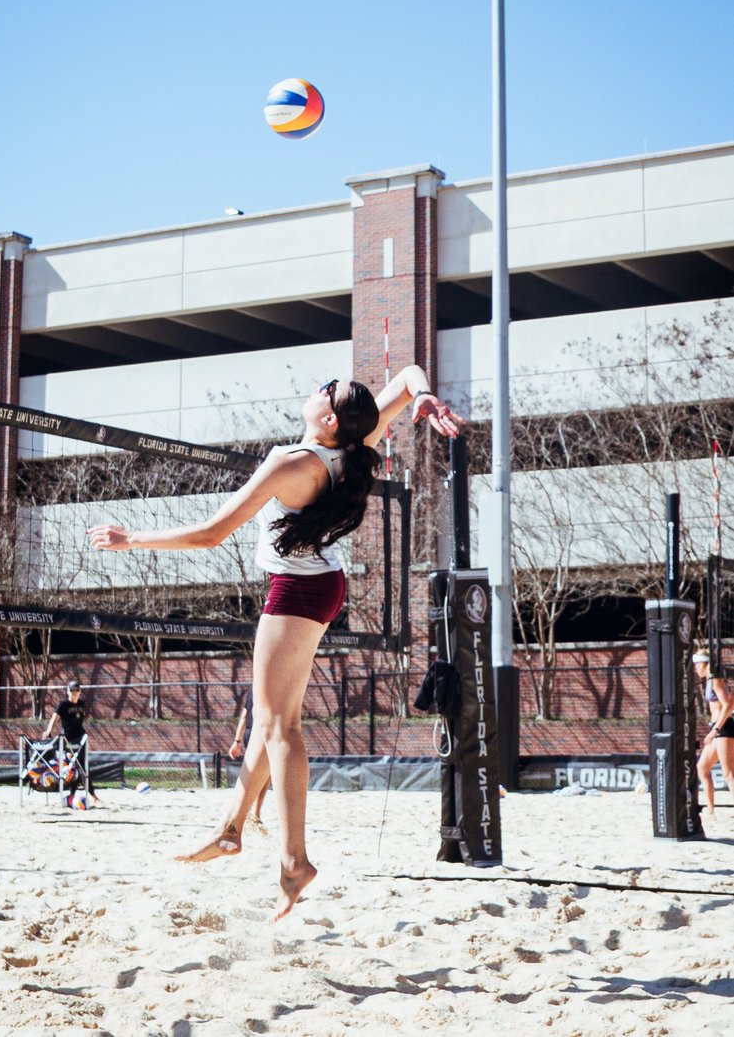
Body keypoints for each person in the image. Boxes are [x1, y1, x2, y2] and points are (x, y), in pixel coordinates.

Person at [88, 366, 463, 920]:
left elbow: (211, 534)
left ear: (329, 417)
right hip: (320, 586)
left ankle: (294, 860)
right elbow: (408, 378)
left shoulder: (292, 463)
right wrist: (424, 397)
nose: (317, 388)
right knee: (271, 719)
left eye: (325, 390)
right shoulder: (359, 440)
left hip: (297, 592)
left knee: (280, 726)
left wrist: (131, 539)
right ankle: (231, 829)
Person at [43, 680, 101, 805]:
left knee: (83, 767)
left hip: (80, 738)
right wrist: (48, 730)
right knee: (71, 766)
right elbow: (54, 717)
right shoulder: (63, 704)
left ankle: (92, 796)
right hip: (67, 739)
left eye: (76, 690)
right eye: (71, 690)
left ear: (80, 692)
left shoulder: (81, 704)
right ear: (67, 691)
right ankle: (70, 793)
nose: (74, 693)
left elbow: (81, 718)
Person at [694, 649, 734, 814]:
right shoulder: (710, 680)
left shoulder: (715, 680)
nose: (695, 668)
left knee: (729, 774)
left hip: (723, 728)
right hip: (718, 728)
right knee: (702, 768)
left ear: (703, 663)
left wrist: (715, 729)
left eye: (696, 664)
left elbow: (728, 705)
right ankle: (710, 812)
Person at [229, 686, 270, 827]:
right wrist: (236, 742)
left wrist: (237, 741)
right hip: (260, 734)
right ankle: (252, 814)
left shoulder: (253, 687)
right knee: (260, 777)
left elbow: (245, 715)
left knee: (258, 775)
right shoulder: (268, 685)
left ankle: (249, 814)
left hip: (250, 733)